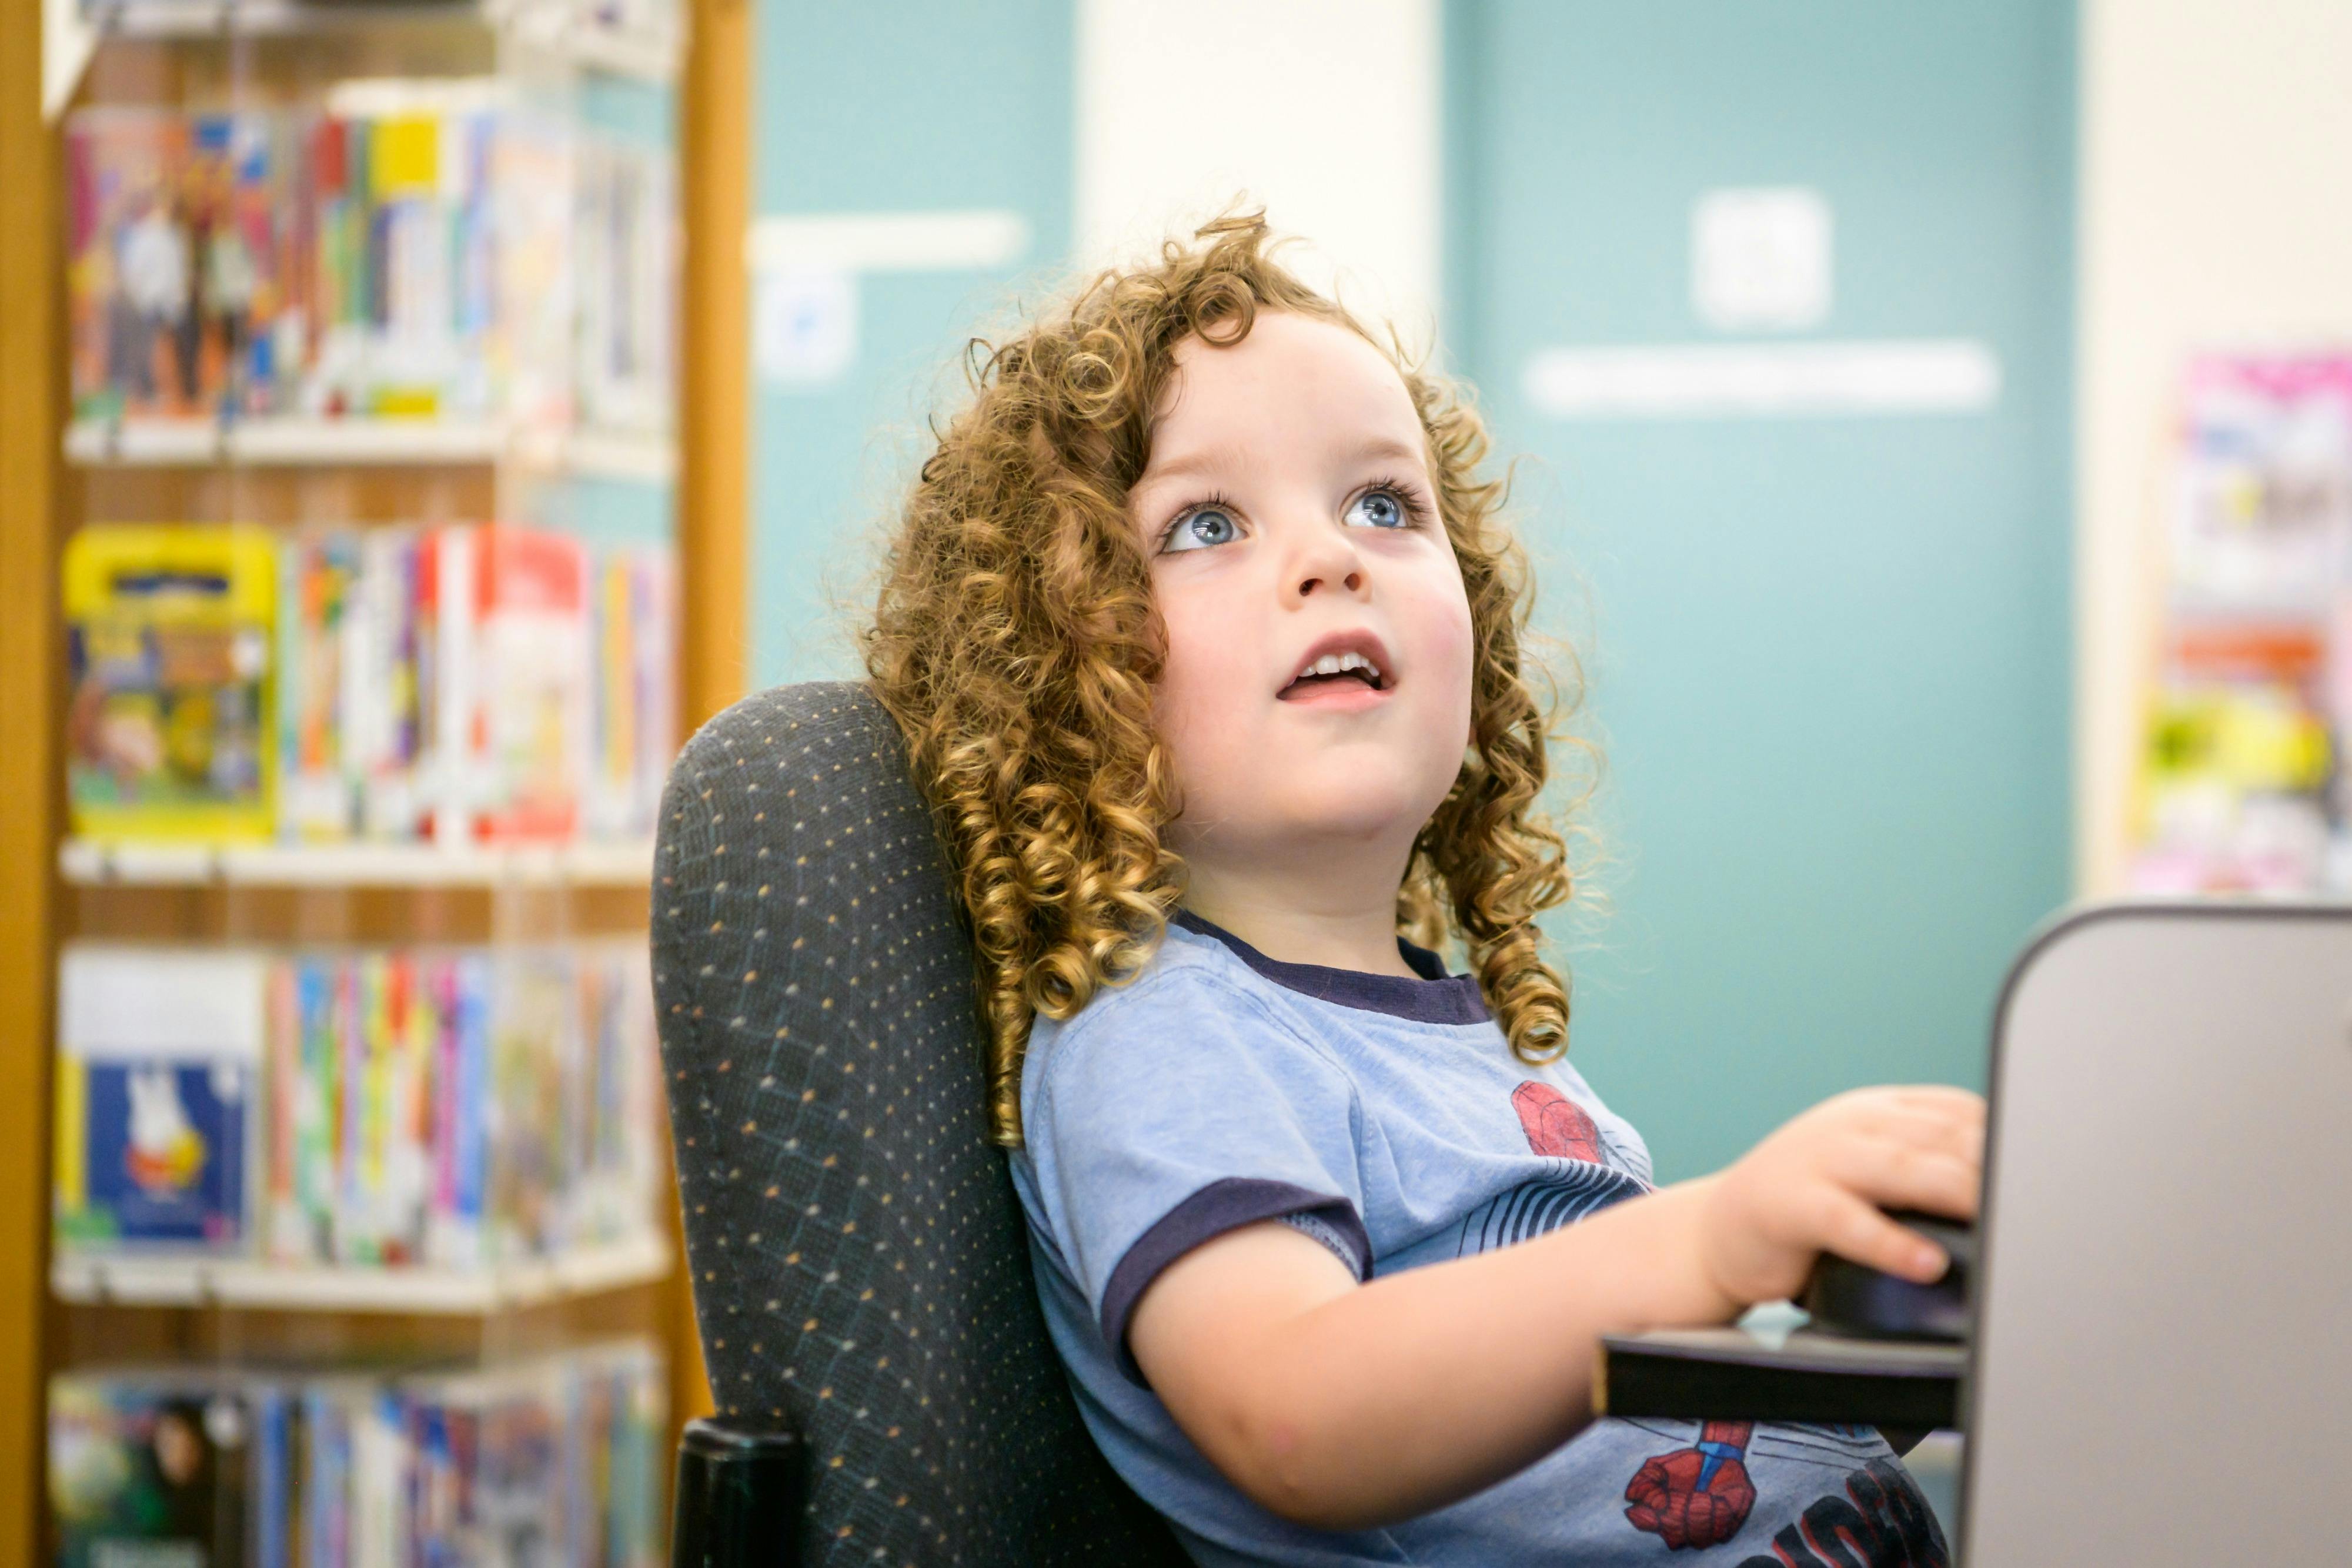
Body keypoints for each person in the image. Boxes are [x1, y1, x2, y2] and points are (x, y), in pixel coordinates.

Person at [863, 212, 1976, 1566]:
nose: (1331, 556)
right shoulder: (1163, 1033)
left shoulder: (1429, 1024)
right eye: (1205, 524)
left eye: (1384, 506)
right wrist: (1710, 1239)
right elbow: (1295, 1409)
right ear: (1053, 672)